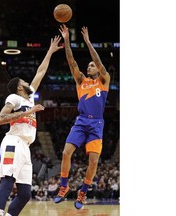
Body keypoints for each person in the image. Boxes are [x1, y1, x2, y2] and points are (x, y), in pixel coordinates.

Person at [0, 35, 62, 216]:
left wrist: (50, 51)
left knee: (24, 194)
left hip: (25, 147)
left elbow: (41, 71)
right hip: (13, 142)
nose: (27, 82)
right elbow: (1, 119)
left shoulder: (29, 98)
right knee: (8, 180)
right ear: (18, 87)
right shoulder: (13, 98)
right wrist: (26, 113)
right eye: (24, 82)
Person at [54, 24, 111, 209]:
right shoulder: (81, 81)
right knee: (65, 153)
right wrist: (68, 41)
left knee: (93, 161)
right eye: (88, 65)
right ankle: (64, 186)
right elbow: (71, 62)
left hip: (96, 123)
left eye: (92, 65)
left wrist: (87, 42)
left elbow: (99, 63)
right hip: (81, 121)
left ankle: (83, 191)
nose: (89, 66)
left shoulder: (104, 80)